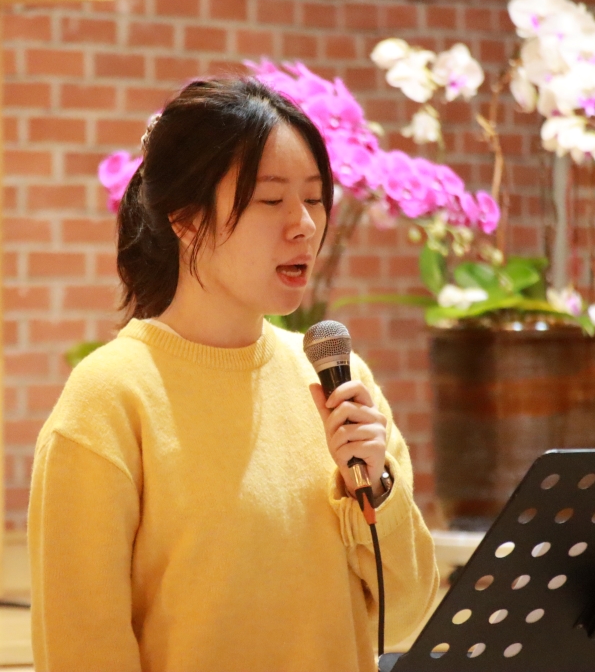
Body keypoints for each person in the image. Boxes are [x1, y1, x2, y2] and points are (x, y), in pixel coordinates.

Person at [28, 77, 438, 672]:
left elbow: (404, 620)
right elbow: (82, 647)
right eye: (270, 201)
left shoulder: (340, 385)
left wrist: (377, 491)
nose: (304, 225)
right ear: (186, 219)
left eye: (315, 198)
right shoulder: (110, 399)